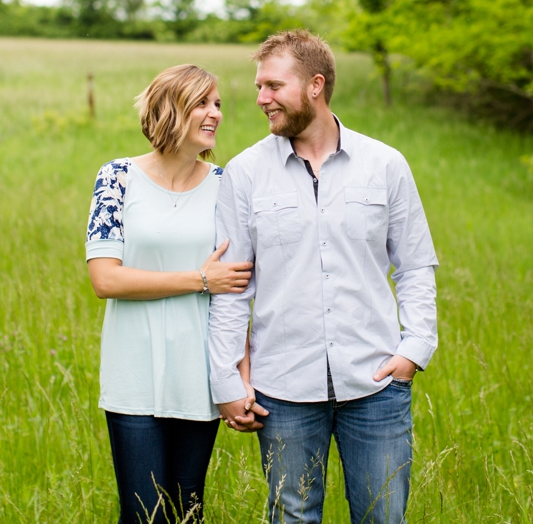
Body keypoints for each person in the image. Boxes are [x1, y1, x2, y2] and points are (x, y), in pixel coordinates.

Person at [208, 31, 439, 524]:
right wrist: (226, 378)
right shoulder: (244, 173)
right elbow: (232, 290)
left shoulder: (385, 164)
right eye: (258, 87)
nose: (260, 99)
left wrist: (414, 350)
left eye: (273, 86)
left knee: (382, 518)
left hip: (376, 384)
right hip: (282, 390)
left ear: (316, 85)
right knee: (292, 518)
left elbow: (416, 264)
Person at [85, 64, 254, 524]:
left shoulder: (226, 185)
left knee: (187, 515)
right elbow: (106, 280)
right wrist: (199, 280)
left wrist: (241, 376)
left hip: (198, 379)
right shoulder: (116, 179)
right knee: (144, 516)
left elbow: (235, 292)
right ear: (169, 110)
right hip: (132, 378)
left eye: (218, 104)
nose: (215, 113)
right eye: (202, 103)